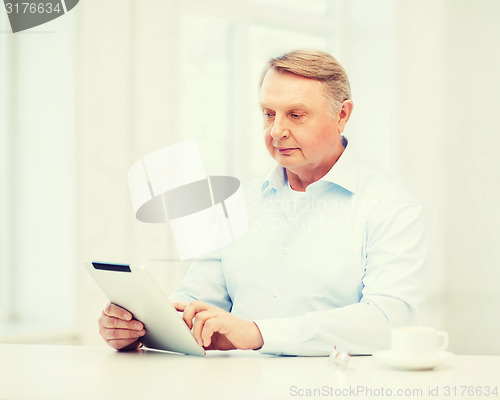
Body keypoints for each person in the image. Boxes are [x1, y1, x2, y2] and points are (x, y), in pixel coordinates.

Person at [98, 49, 427, 356]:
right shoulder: (238, 204)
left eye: (296, 115)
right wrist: (141, 326)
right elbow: (197, 300)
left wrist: (257, 333)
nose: (276, 131)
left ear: (342, 115)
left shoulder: (391, 206)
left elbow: (388, 322)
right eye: (269, 114)